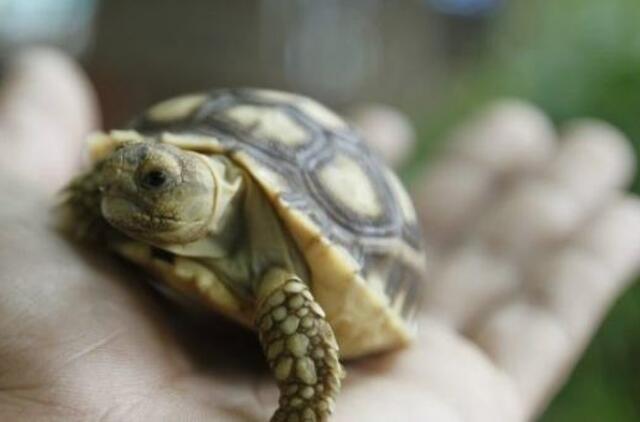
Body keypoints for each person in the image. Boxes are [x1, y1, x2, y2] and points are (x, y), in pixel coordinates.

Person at [0, 49, 638, 422]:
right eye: (121, 174)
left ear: (211, 189)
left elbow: (291, 299)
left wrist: (302, 401)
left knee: (285, 298)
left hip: (302, 255)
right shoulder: (127, 182)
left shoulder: (281, 276)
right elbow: (109, 183)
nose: (122, 184)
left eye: (156, 180)